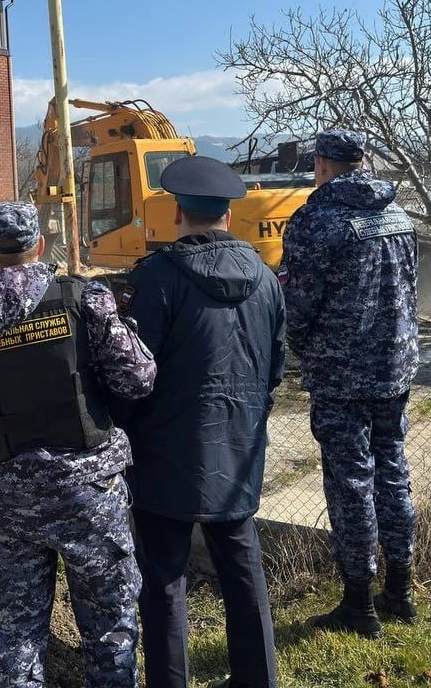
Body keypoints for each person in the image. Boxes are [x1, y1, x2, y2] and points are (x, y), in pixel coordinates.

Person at [0, 201, 156, 687]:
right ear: (39, 244)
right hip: (89, 493)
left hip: (9, 500)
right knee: (110, 626)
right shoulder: (84, 298)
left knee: (17, 636)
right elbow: (137, 378)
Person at [116, 156, 286, 688]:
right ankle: (258, 679)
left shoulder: (157, 279)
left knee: (164, 581)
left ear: (177, 215)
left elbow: (131, 375)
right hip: (238, 450)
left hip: (165, 452)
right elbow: (276, 367)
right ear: (228, 217)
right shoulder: (266, 279)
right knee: (242, 571)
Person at [279, 129, 420, 639]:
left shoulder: (317, 220)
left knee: (351, 484)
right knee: (394, 473)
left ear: (321, 164)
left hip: (342, 374)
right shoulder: (399, 214)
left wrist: (298, 346)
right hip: (395, 367)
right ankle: (400, 592)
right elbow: (408, 288)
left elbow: (298, 305)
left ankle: (360, 606)